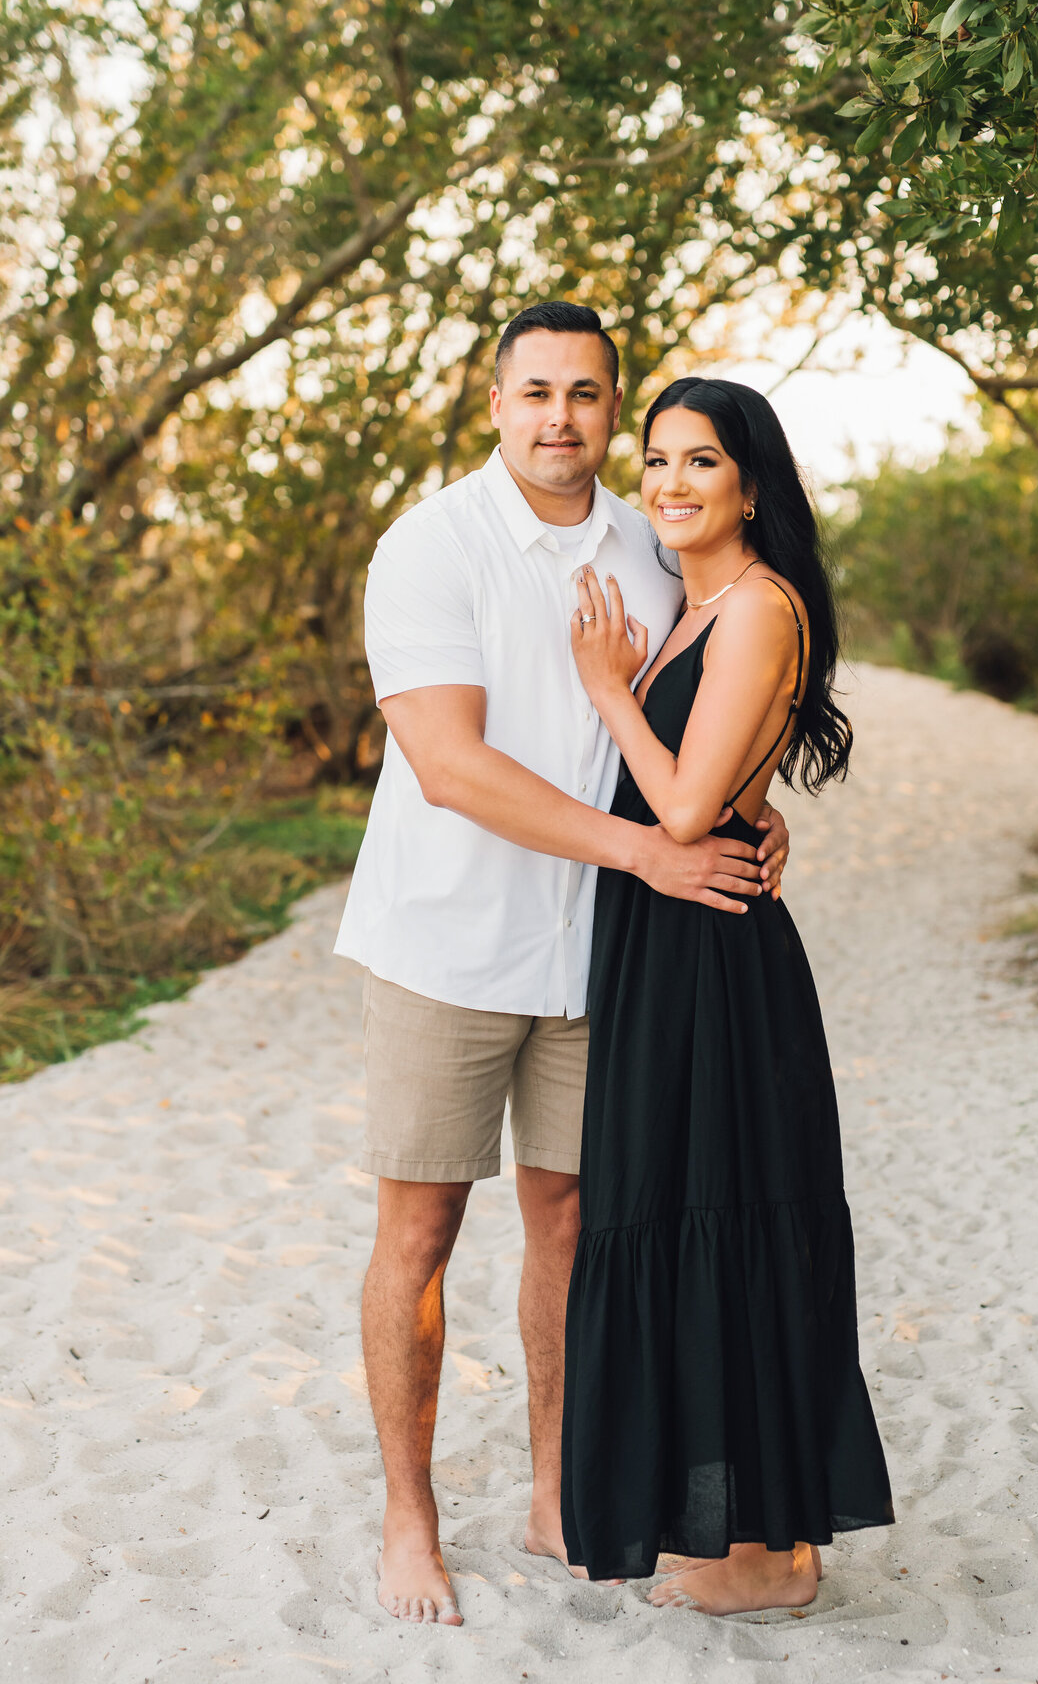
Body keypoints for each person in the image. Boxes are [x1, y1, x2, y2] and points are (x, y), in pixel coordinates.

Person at [333, 304, 793, 1626]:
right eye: (536, 390)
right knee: (419, 1233)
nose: (561, 417)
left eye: (587, 393)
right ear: (493, 403)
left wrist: (755, 808)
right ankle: (409, 1523)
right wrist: (647, 853)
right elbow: (450, 762)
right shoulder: (430, 547)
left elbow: (712, 706)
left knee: (575, 1225)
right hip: (447, 942)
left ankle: (552, 1491)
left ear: (611, 408)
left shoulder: (657, 549)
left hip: (605, 958)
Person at [560, 376, 894, 1614]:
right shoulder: (703, 609)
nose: (670, 484)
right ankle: (757, 1536)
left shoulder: (754, 607)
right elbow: (723, 786)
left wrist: (606, 690)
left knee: (717, 1215)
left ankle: (762, 1558)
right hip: (675, 934)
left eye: (701, 462)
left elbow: (688, 807)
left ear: (753, 484)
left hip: (711, 953)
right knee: (697, 1209)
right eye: (656, 461)